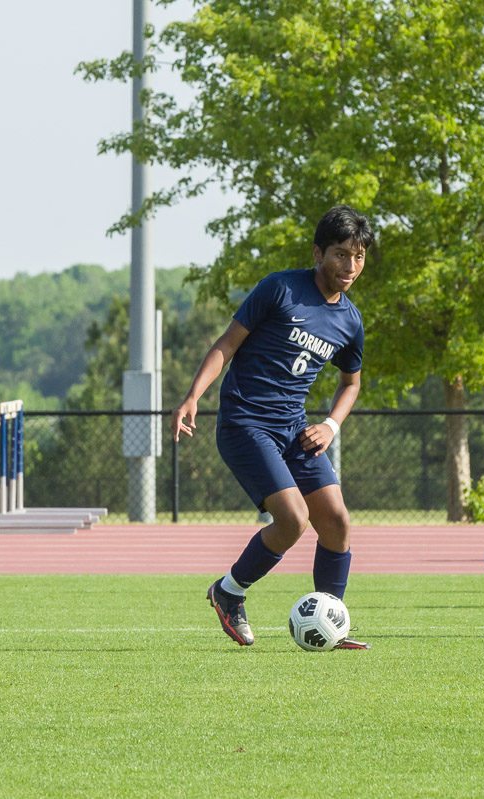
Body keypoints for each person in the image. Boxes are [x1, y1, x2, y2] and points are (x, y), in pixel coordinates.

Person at [171, 205, 374, 649]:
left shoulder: (350, 320)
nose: (350, 266)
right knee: (294, 518)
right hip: (246, 422)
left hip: (295, 428)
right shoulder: (280, 288)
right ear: (318, 253)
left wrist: (331, 426)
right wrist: (193, 396)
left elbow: (351, 383)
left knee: (337, 521)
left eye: (358, 257)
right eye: (341, 254)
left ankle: (331, 620)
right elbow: (226, 344)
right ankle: (229, 591)